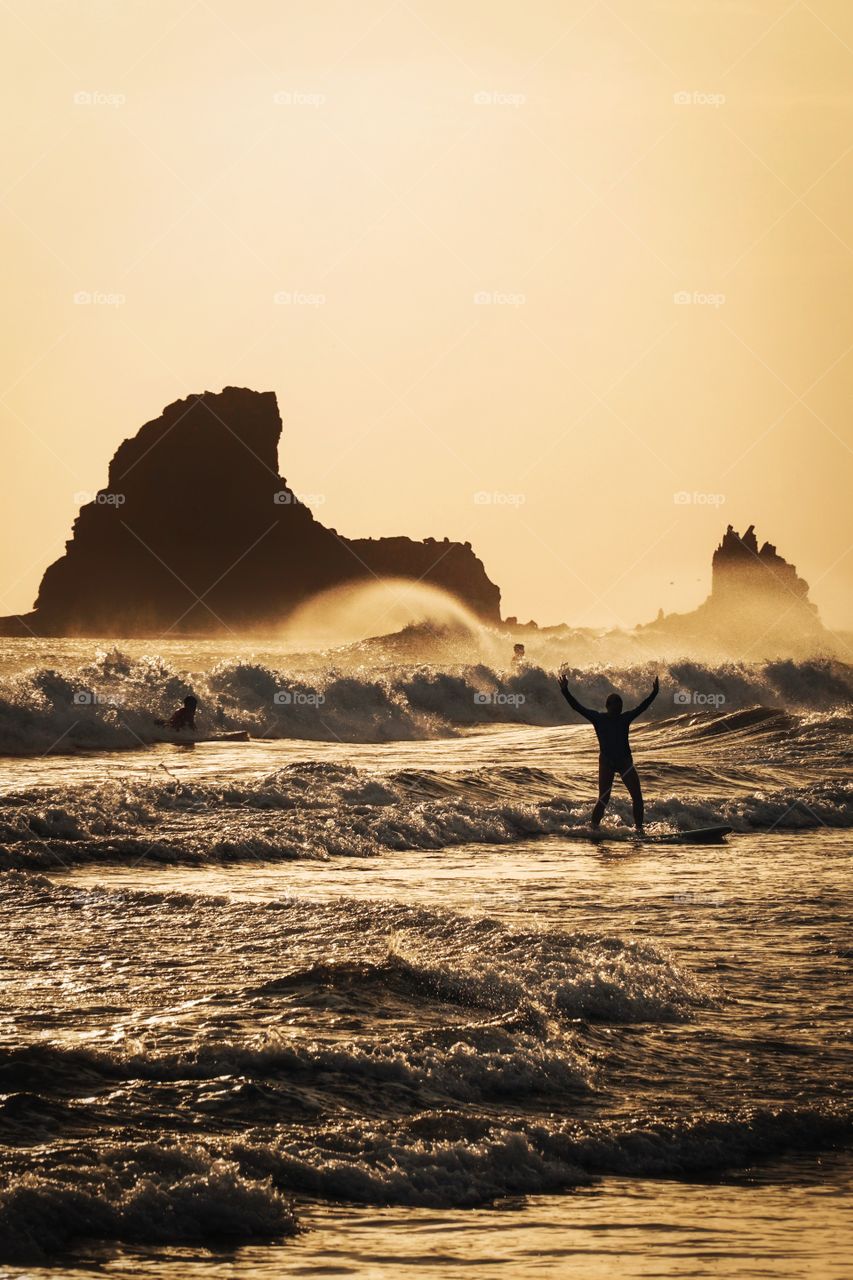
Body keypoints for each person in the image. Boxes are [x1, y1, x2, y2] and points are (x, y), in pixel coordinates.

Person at [557, 674, 659, 833]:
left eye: (620, 703)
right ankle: (593, 828)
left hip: (625, 761)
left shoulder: (625, 718)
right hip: (607, 763)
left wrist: (654, 693)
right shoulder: (598, 718)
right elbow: (577, 707)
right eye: (615, 703)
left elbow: (642, 707)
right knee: (603, 798)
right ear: (607, 705)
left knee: (637, 797)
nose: (618, 706)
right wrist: (565, 691)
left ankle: (639, 829)